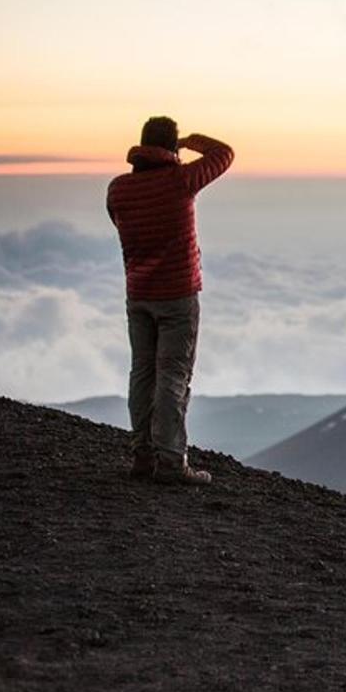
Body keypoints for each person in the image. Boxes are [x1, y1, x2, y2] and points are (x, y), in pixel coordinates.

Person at [106, 116, 234, 485]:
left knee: (142, 373)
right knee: (173, 377)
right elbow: (223, 154)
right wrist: (192, 141)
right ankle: (171, 462)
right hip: (177, 295)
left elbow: (120, 223)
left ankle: (142, 457)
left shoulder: (118, 190)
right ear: (171, 147)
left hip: (139, 293)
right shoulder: (181, 181)